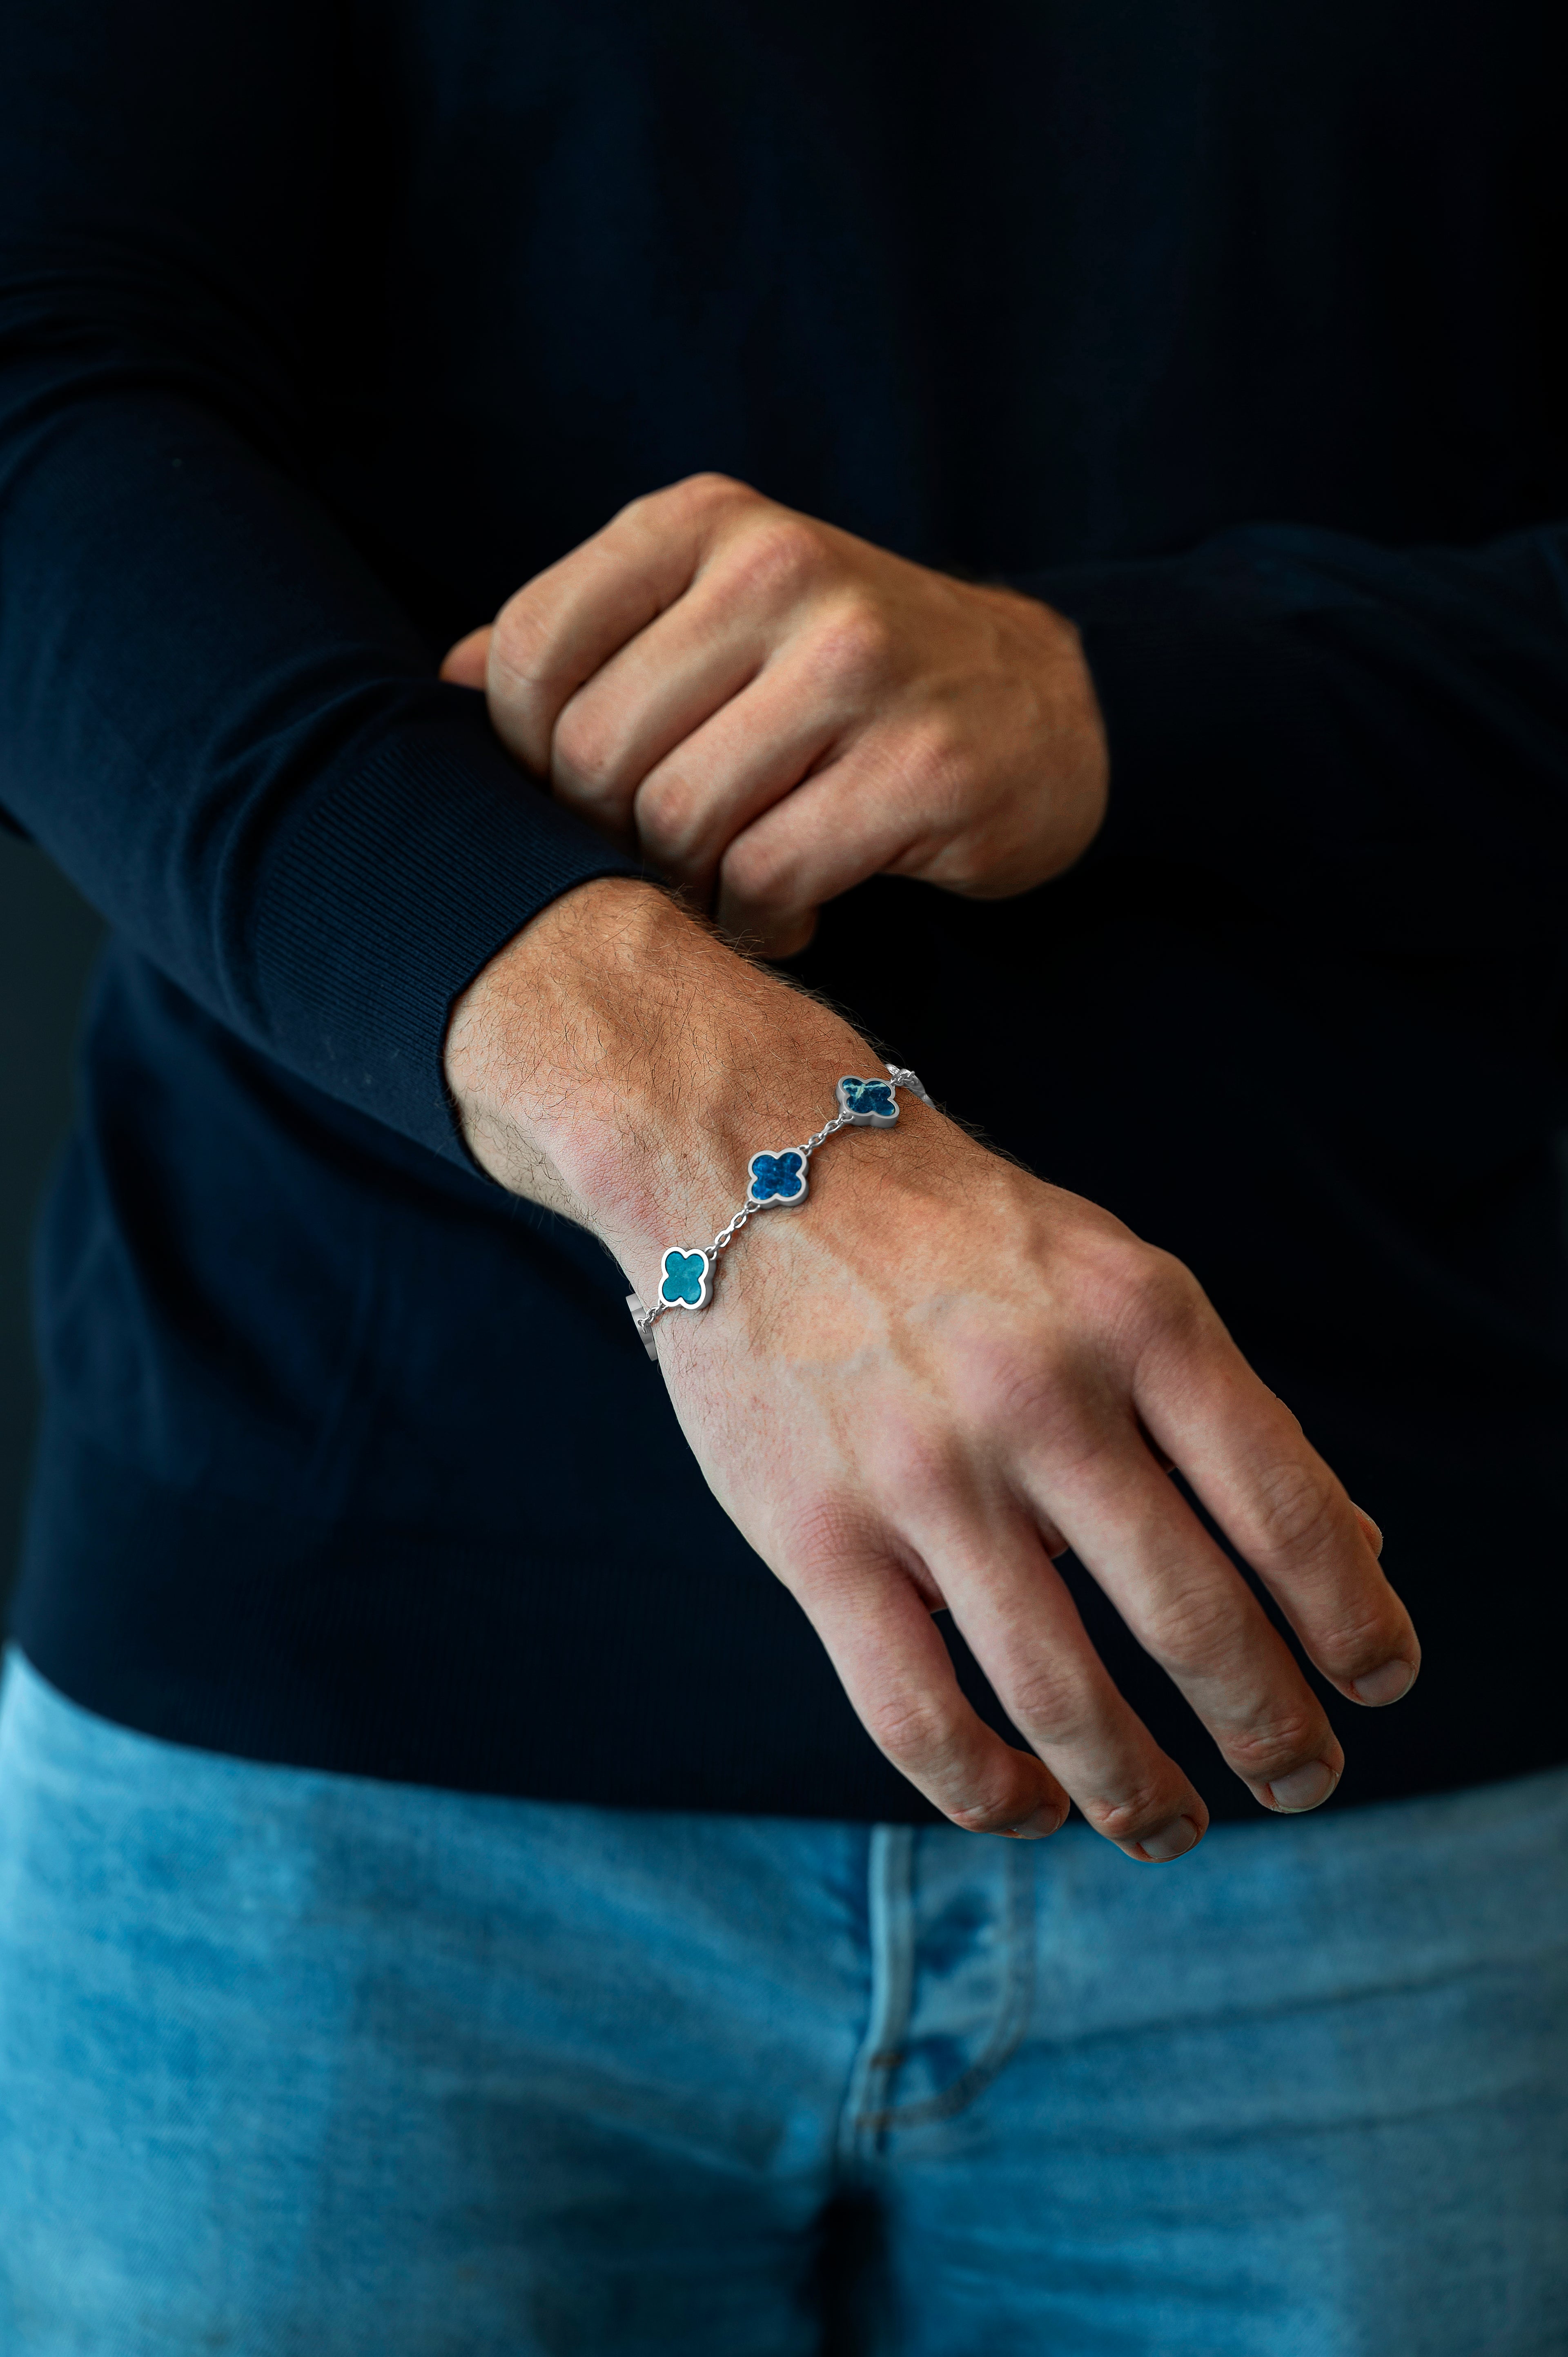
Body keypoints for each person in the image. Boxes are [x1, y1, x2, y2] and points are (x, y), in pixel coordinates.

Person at [0, 2, 1564, 2349]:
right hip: (327, 1786)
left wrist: (1121, 692)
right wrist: (731, 1142)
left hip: (1362, 1711)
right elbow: (40, 396)